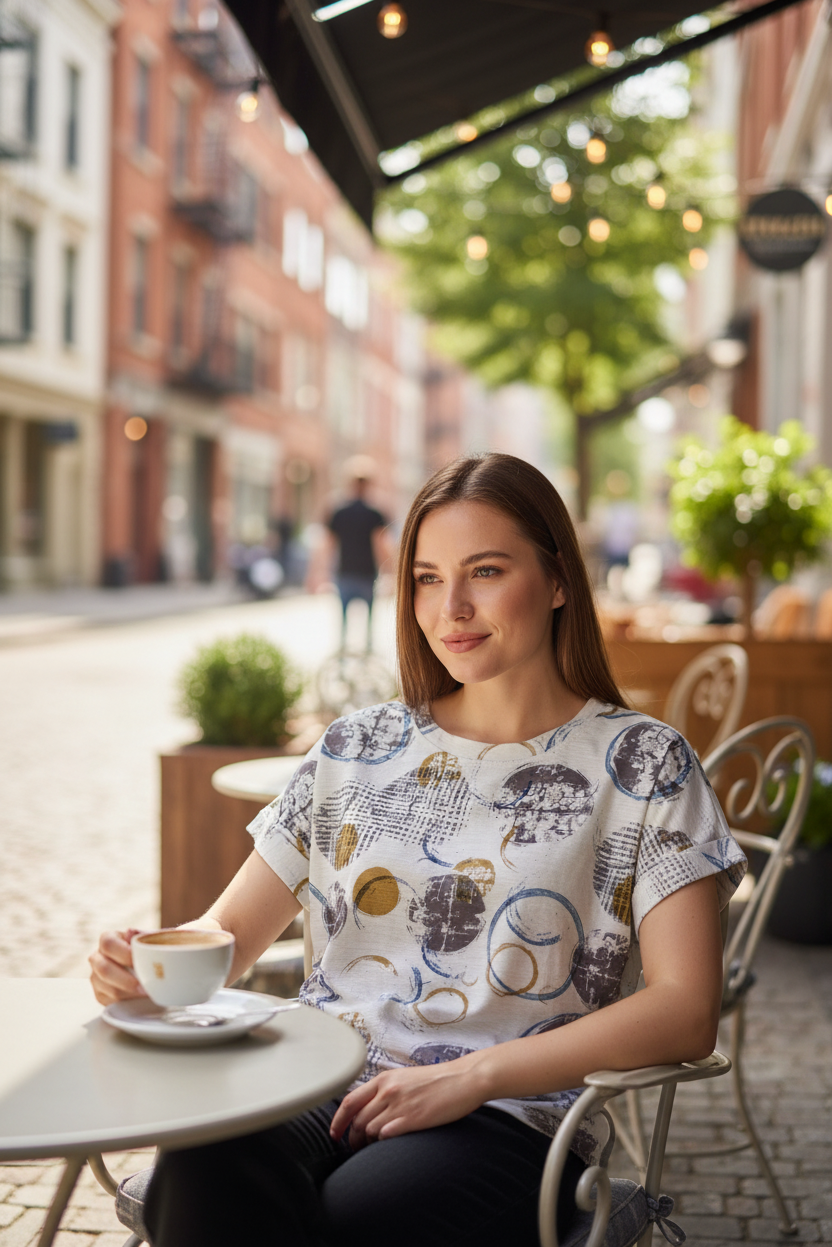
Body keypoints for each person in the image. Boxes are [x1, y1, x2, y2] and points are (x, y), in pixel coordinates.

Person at [90, 453, 746, 1247]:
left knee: (359, 1218)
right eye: (427, 578)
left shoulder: (645, 762)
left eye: (486, 571)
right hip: (315, 1078)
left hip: (504, 1113)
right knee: (203, 1161)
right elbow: (227, 939)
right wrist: (147, 969)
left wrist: (471, 1075)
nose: (452, 608)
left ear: (560, 579)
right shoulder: (355, 746)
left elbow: (685, 1010)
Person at [326, 464, 388, 652]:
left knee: (343, 616)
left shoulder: (339, 512)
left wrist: (322, 571)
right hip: (367, 572)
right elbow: (380, 545)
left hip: (345, 571)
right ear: (368, 486)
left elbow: (329, 545)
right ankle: (367, 647)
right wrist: (389, 570)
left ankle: (344, 646)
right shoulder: (374, 513)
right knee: (369, 615)